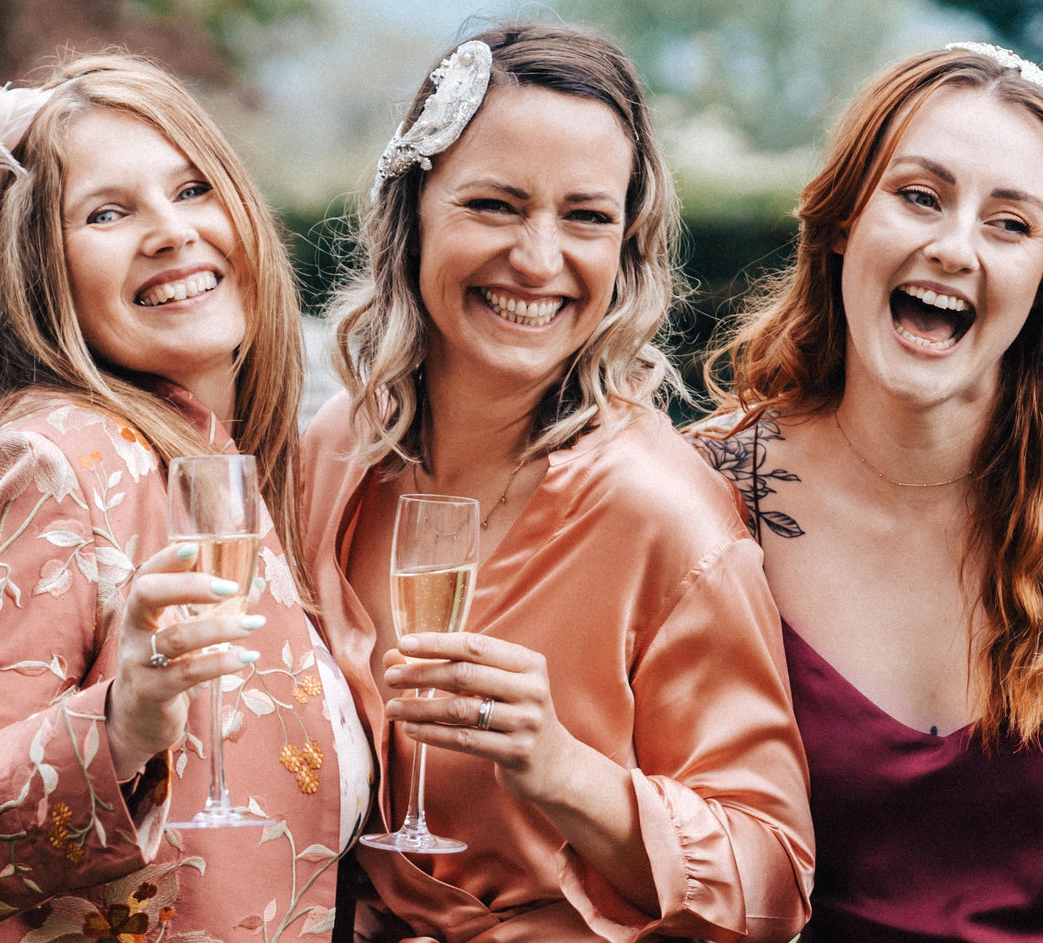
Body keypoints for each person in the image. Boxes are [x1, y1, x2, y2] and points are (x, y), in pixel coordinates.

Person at [0, 54, 371, 943]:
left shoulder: (216, 468)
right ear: (43, 271)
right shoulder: (44, 469)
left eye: (191, 189)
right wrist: (119, 729)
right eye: (107, 213)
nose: (169, 232)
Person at [302, 21, 814, 943]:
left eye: (585, 216)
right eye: (495, 205)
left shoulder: (664, 515)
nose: (539, 261)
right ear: (412, 211)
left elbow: (771, 881)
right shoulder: (330, 459)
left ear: (626, 246)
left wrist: (562, 769)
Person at [690, 42, 1043, 940]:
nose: (954, 246)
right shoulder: (707, 496)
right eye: (919, 196)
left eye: (1010, 224)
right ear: (843, 218)